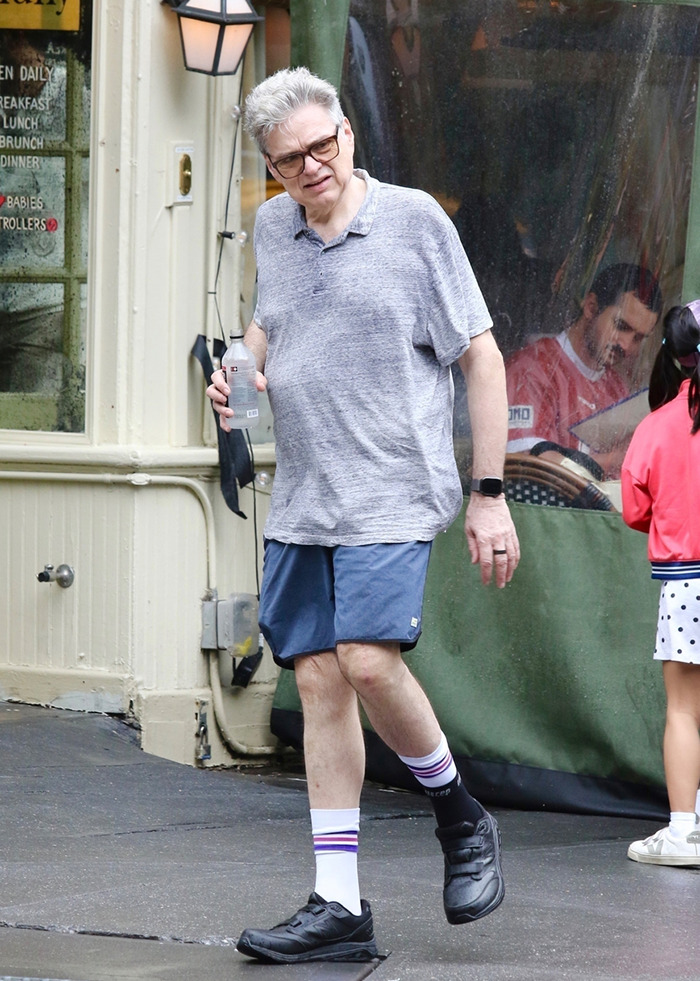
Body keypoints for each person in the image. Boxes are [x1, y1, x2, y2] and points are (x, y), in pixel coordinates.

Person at [206, 66, 520, 964]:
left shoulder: (416, 221)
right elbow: (273, 325)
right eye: (288, 160)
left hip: (391, 484)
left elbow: (482, 358)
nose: (312, 168)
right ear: (269, 170)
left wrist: (489, 493)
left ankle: (460, 815)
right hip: (306, 492)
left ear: (348, 131)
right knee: (316, 686)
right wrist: (242, 364)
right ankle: (339, 902)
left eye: (323, 145)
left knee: (367, 659)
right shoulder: (274, 227)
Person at [621, 299, 700, 866]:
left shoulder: (655, 427)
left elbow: (633, 509)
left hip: (686, 586)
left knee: (683, 711)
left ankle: (680, 834)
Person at [505, 263, 662, 478]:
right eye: (621, 326)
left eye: (638, 338)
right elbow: (527, 467)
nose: (626, 344)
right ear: (590, 307)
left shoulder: (617, 388)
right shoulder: (533, 369)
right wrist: (612, 461)